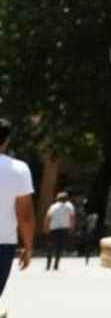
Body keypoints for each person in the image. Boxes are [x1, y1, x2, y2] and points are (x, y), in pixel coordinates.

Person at [0, 119, 34, 302]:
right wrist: (28, 248)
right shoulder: (20, 169)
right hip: (3, 245)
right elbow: (25, 216)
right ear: (6, 140)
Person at [44, 191, 75, 270]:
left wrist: (46, 228)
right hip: (64, 229)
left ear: (57, 199)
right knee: (59, 247)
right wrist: (72, 228)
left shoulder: (53, 207)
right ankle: (56, 265)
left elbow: (48, 217)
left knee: (50, 246)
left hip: (53, 229)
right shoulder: (70, 207)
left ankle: (48, 264)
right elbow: (72, 218)